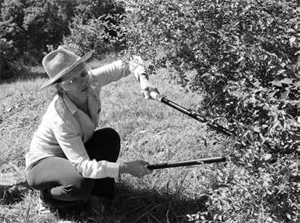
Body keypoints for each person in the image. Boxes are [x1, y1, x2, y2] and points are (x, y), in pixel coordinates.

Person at [25, 46, 159, 211]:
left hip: (73, 152)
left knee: (109, 137)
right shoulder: (60, 116)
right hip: (44, 161)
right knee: (79, 183)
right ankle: (48, 198)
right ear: (61, 88)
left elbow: (130, 61)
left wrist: (144, 80)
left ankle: (100, 196)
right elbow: (82, 166)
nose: (82, 81)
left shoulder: (91, 80)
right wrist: (126, 168)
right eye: (71, 81)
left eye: (82, 74)